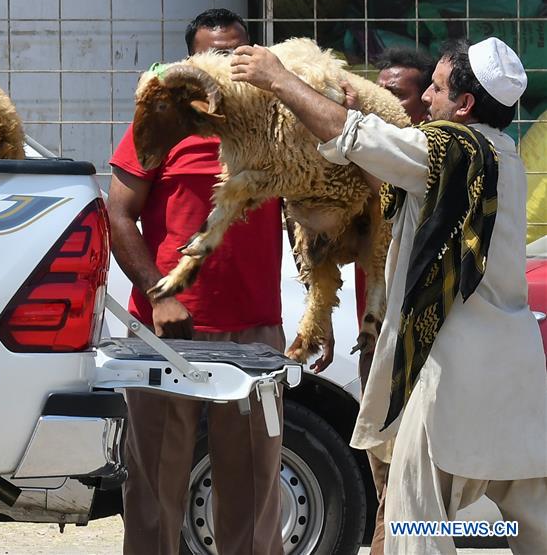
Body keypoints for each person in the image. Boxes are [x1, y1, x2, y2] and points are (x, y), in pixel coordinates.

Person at [231, 37, 547, 553]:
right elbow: (382, 162)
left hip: (449, 378)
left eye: (439, 91)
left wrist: (279, 79)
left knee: (415, 527)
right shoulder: (500, 156)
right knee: (532, 523)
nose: (426, 100)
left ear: (465, 106)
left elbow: (352, 136)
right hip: (514, 376)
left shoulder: (452, 150)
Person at [108, 8, 285, 555]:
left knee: (254, 489)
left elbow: (314, 206)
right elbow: (117, 215)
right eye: (210, 54)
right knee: (154, 489)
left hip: (254, 334)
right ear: (191, 63)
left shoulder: (275, 125)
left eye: (234, 54)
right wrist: (160, 293)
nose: (223, 66)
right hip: (166, 334)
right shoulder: (159, 122)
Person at [344, 45, 435, 555]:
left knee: (410, 479)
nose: (381, 103)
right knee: (385, 472)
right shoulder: (368, 156)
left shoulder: (426, 158)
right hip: (375, 338)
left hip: (418, 346)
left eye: (394, 95)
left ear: (426, 103)